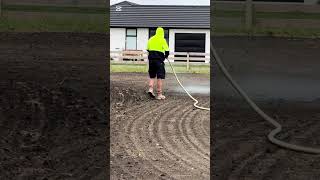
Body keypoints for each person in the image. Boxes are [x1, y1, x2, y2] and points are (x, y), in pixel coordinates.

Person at [146, 27, 169, 100]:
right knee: (159, 77)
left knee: (152, 76)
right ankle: (159, 94)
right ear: (162, 33)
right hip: (159, 61)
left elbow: (148, 49)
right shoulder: (162, 40)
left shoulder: (150, 39)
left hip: (151, 60)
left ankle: (150, 89)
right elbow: (167, 51)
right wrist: (165, 56)